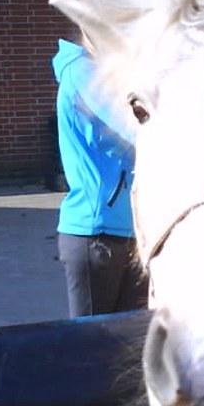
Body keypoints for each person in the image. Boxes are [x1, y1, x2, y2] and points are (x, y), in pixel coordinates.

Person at [52, 37, 147, 318]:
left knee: (131, 342)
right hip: (97, 235)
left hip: (131, 231)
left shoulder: (116, 70)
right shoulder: (83, 72)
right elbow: (133, 128)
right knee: (91, 349)